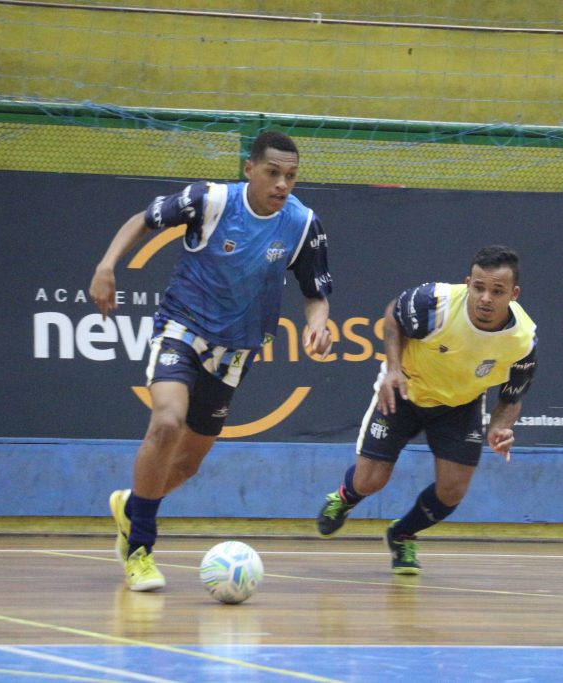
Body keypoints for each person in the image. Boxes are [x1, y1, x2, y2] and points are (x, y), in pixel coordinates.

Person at [90, 130, 333, 591]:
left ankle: (132, 506)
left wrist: (317, 322)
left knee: (186, 465)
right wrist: (107, 266)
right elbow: (142, 220)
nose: (282, 184)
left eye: (291, 176)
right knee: (166, 422)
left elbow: (315, 294)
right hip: (182, 328)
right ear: (249, 170)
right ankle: (140, 548)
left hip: (236, 351)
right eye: (273, 173)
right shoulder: (211, 200)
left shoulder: (303, 225)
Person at [315, 245, 537, 574]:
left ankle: (403, 534)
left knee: (452, 491)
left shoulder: (522, 340)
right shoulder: (437, 303)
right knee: (370, 480)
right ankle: (346, 497)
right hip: (405, 389)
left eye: (497, 291)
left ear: (514, 294)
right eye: (479, 288)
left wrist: (501, 428)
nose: (485, 298)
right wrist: (392, 369)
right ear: (468, 283)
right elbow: (393, 315)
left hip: (460, 405)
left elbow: (511, 398)